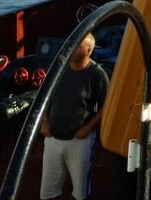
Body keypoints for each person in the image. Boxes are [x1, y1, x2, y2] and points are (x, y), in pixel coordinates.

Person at [40, 32, 108, 200]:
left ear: (89, 50)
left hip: (79, 142)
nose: (72, 48)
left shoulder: (96, 74)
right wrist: (45, 121)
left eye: (78, 46)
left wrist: (87, 128)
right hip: (52, 138)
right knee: (47, 191)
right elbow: (46, 97)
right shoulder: (57, 68)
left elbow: (106, 106)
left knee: (80, 192)